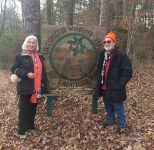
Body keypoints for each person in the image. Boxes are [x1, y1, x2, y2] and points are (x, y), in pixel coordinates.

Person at [11, 35, 49, 138]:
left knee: (33, 108)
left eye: (33, 42)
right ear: (25, 43)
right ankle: (21, 131)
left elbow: (42, 71)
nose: (31, 44)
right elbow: (14, 69)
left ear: (36, 45)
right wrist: (26, 73)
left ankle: (30, 126)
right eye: (29, 42)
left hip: (36, 88)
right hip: (25, 86)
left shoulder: (39, 56)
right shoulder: (19, 56)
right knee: (24, 109)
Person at [96, 32, 133, 134]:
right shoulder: (103, 54)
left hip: (116, 87)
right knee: (108, 105)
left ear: (114, 42)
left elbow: (128, 71)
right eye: (105, 42)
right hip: (105, 86)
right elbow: (99, 69)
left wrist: (120, 84)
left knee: (118, 106)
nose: (106, 43)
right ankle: (110, 120)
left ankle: (122, 125)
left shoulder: (121, 55)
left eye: (109, 41)